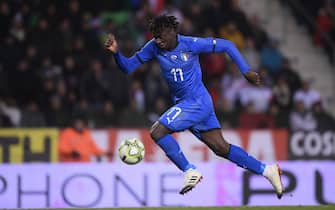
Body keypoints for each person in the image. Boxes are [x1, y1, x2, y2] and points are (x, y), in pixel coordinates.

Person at [105, 15, 283, 198]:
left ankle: (190, 170)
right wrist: (116, 53)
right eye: (155, 36)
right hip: (187, 104)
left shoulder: (191, 44)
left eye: (161, 36)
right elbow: (127, 67)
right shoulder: (153, 47)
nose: (158, 40)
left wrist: (245, 70)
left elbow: (227, 45)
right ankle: (267, 170)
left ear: (173, 31)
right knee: (220, 147)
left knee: (157, 131)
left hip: (197, 102)